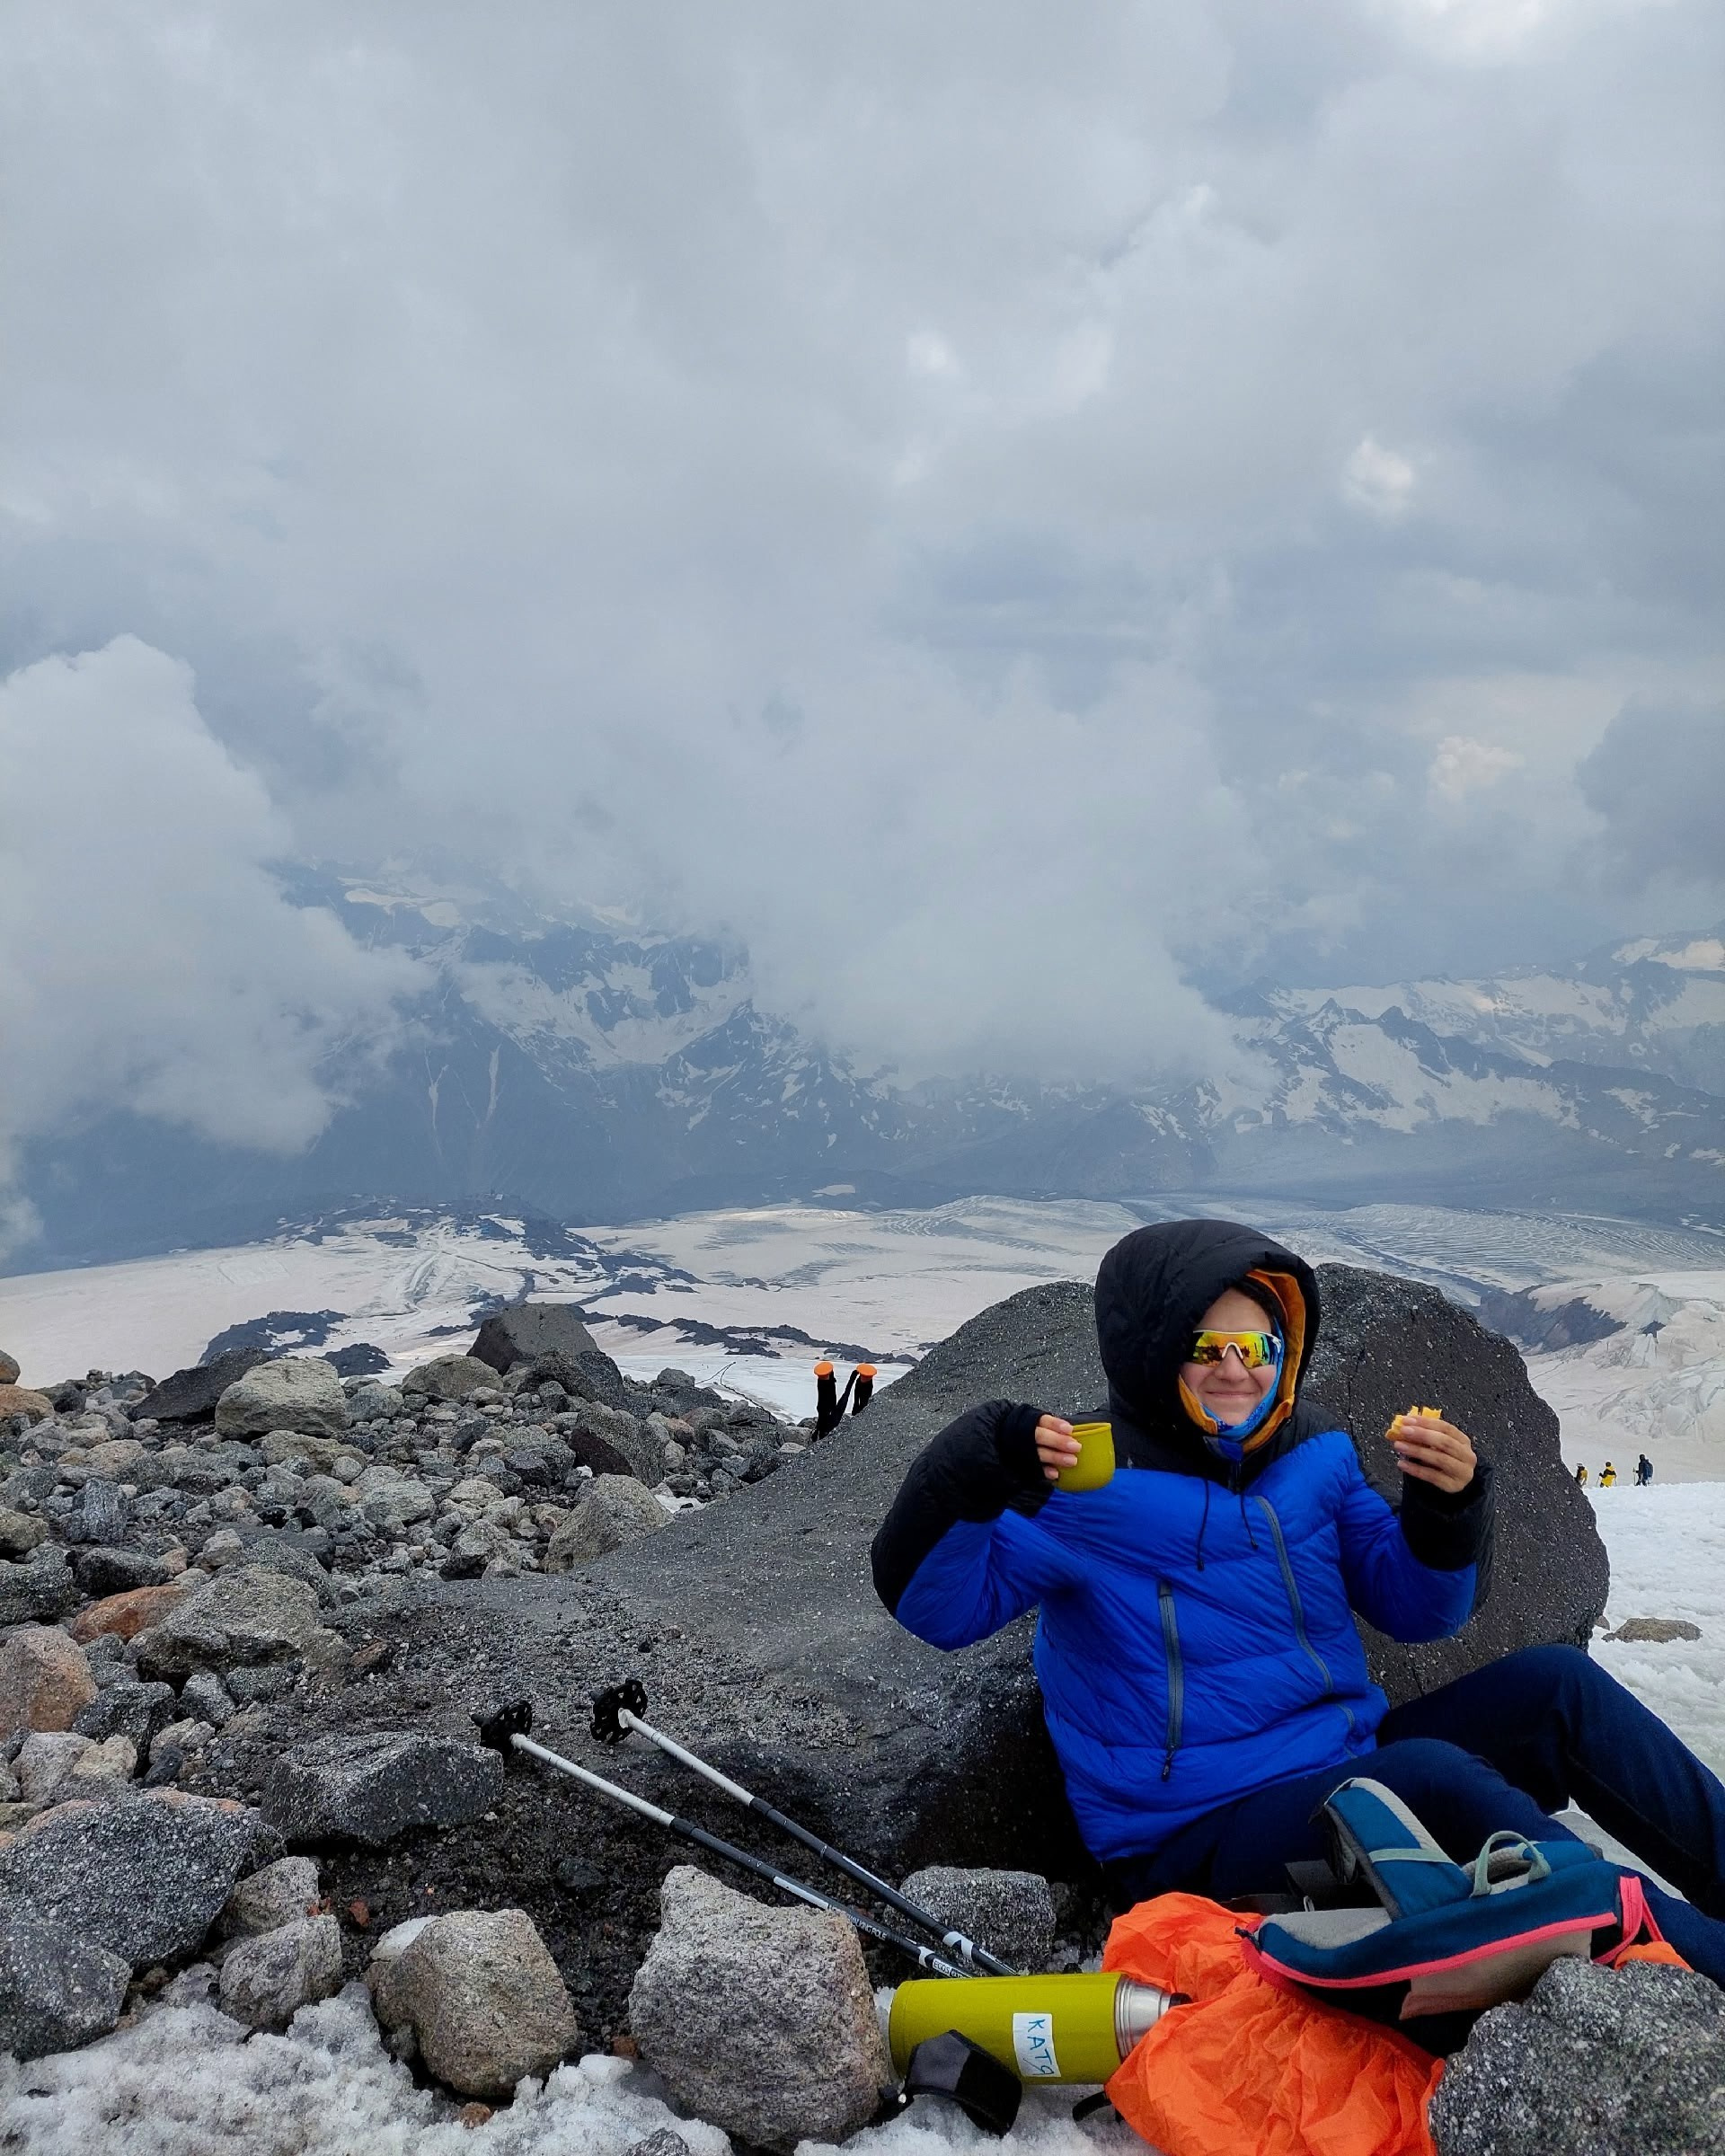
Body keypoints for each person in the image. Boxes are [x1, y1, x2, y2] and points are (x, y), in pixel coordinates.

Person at [871, 1219, 1725, 1984]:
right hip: (1192, 1838)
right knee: (1423, 1782)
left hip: (1343, 1760)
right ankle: (1685, 1964)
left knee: (1557, 1688)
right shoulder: (1082, 1486)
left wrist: (1447, 1512)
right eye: (1207, 1346)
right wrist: (969, 1467)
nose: (1236, 1369)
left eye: (1258, 1346)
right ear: (1152, 1351)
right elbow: (937, 1611)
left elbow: (1418, 1610)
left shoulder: (1314, 1450)